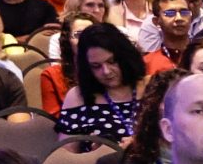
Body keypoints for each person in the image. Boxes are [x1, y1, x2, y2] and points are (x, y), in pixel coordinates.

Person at [54, 20, 146, 148]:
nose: (106, 71)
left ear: (125, 57)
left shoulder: (151, 87)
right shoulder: (77, 96)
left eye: (112, 61)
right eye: (96, 66)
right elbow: (65, 155)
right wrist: (95, 155)